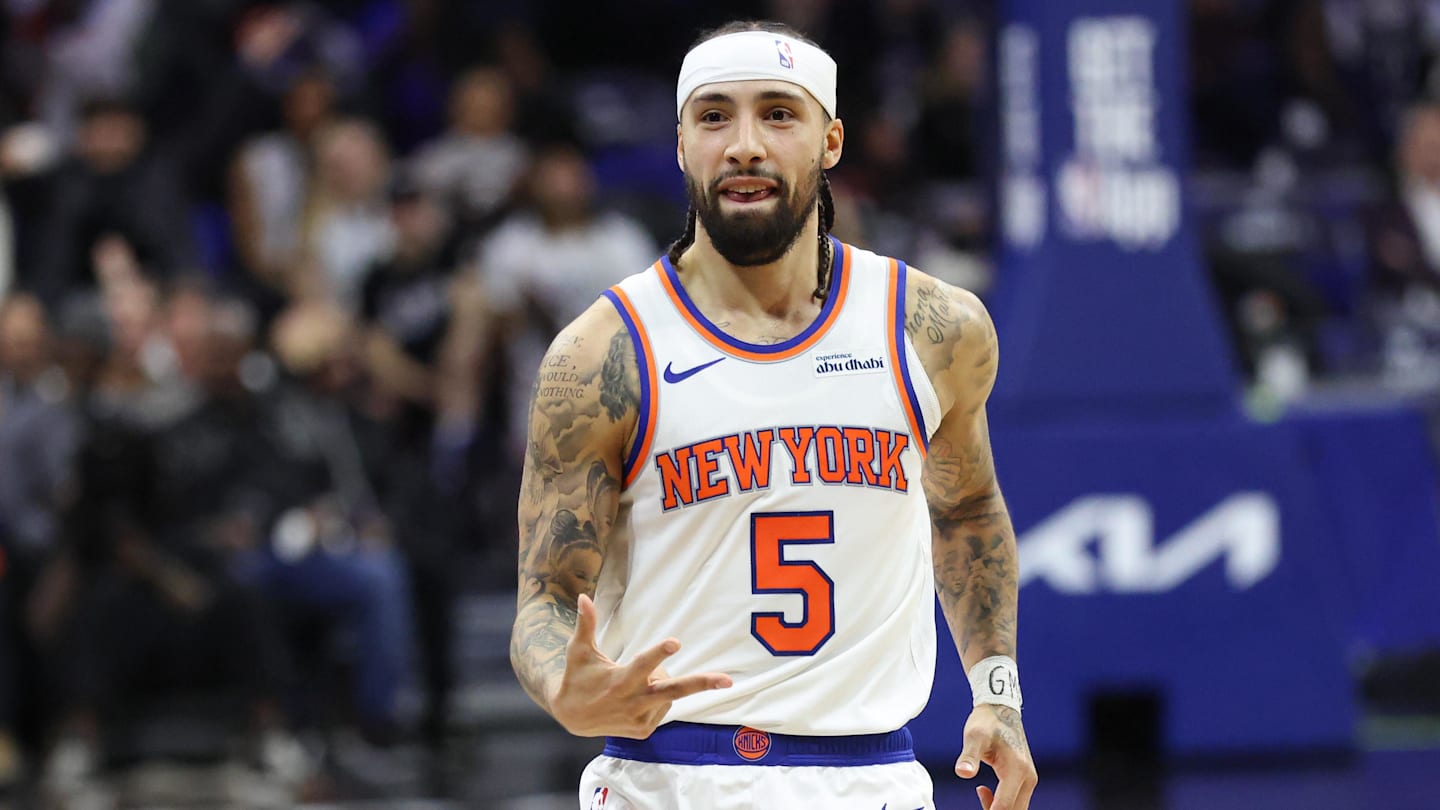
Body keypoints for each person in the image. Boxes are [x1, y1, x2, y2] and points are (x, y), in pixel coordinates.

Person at [509, 20, 1036, 810]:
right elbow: (545, 599)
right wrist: (564, 686)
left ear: (830, 141)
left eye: (778, 114)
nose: (744, 144)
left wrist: (997, 691)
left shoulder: (932, 329)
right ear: (682, 143)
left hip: (873, 779)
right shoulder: (601, 356)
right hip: (669, 777)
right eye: (714, 115)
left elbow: (965, 509)